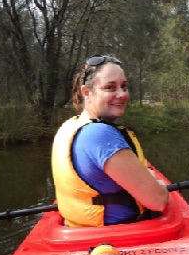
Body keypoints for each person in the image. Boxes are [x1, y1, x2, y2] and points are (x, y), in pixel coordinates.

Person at [52, 54, 169, 227]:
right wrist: (158, 184)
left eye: (124, 86)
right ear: (87, 92)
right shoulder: (100, 135)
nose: (121, 94)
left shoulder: (72, 125)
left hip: (78, 230)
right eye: (110, 87)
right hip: (118, 237)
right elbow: (157, 201)